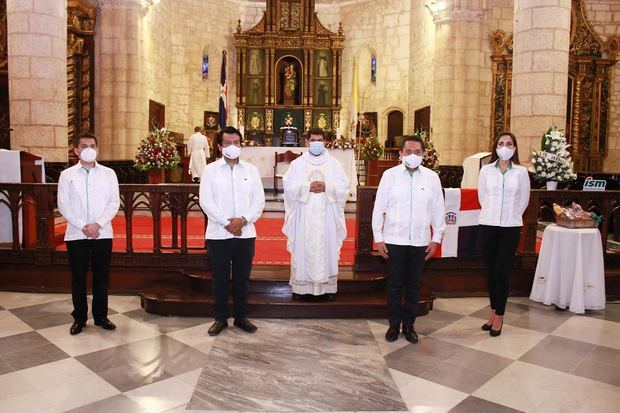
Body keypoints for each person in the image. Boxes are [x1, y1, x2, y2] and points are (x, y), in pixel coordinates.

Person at [372, 135, 446, 343]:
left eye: (417, 152)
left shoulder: (432, 178)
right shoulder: (390, 176)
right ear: (400, 154)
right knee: (394, 285)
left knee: (414, 285)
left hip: (420, 241)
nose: (413, 155)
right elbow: (379, 208)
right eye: (408, 151)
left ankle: (410, 326)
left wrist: (436, 238)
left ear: (423, 155)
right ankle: (394, 325)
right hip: (394, 239)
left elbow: (438, 209)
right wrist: (378, 237)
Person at [199, 126, 265, 336]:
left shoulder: (251, 170)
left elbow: (259, 200)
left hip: (246, 233)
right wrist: (227, 223)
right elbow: (206, 201)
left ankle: (241, 317)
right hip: (219, 233)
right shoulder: (210, 170)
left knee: (241, 277)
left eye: (236, 143)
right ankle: (220, 318)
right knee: (219, 278)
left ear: (241, 144)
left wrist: (243, 220)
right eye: (227, 143)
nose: (232, 147)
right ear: (219, 146)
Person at [57, 132, 120, 336]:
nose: (89, 149)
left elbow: (114, 203)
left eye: (92, 145)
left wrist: (98, 224)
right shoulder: (67, 175)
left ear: (97, 149)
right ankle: (80, 318)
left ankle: (101, 316)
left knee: (102, 277)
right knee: (78, 278)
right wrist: (84, 225)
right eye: (84, 146)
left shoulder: (109, 173)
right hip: (76, 234)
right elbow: (64, 205)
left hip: (102, 233)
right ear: (76, 150)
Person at [282, 128, 350, 300]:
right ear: (307, 142)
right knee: (303, 248)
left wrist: (327, 186)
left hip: (327, 213)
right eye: (313, 140)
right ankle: (301, 289)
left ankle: (327, 289)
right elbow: (288, 185)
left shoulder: (335, 164)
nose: (316, 143)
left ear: (325, 141)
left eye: (320, 140)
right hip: (304, 214)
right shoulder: (297, 164)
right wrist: (307, 187)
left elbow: (344, 186)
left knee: (327, 249)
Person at [478, 132, 530, 337]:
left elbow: (523, 200)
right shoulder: (486, 171)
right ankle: (492, 312)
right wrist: (491, 214)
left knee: (502, 271)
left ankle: (500, 315)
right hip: (488, 225)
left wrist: (512, 216)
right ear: (495, 147)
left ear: (515, 148)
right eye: (501, 143)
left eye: (509, 143)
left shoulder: (521, 172)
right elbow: (483, 197)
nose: (505, 146)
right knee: (490, 272)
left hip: (510, 227)